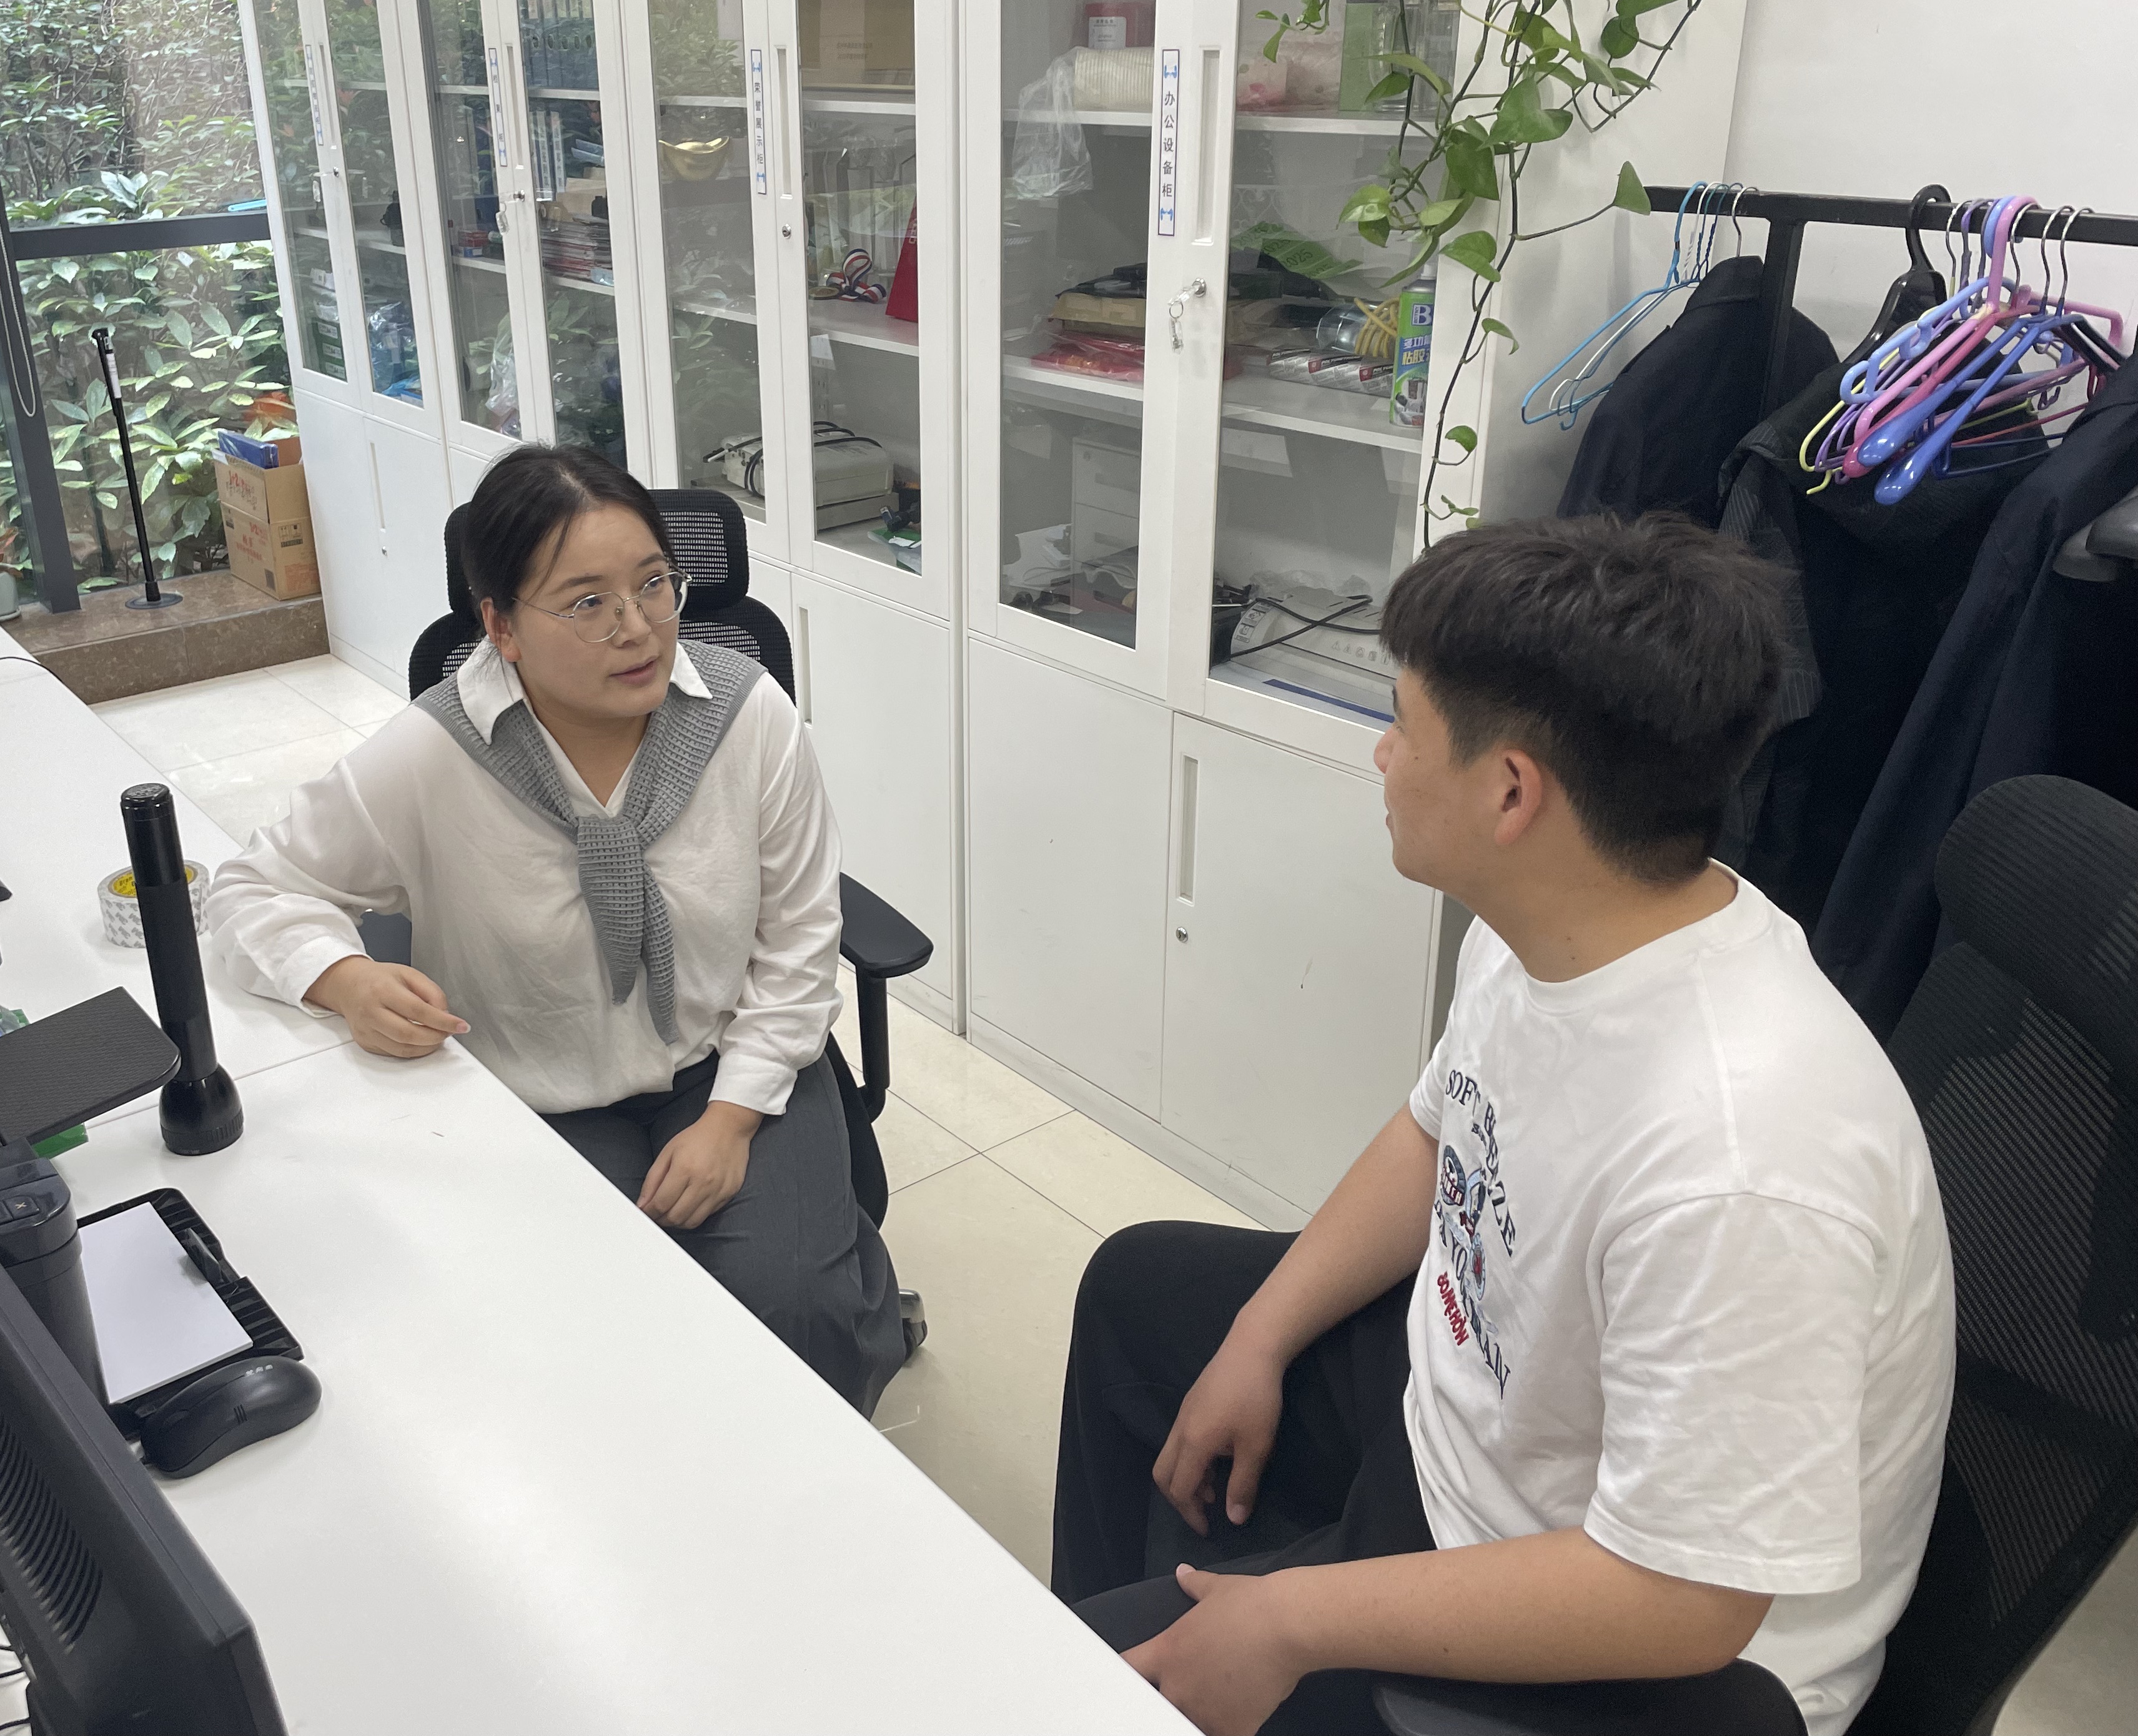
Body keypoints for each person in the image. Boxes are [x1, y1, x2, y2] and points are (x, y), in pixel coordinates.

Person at [1052, 515, 1954, 1736]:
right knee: (1141, 1293)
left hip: (1642, 1660)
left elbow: (1685, 1605)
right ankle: (1101, 1635)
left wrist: (1292, 1621)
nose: (1382, 756)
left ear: (1511, 791)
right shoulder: (1557, 925)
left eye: (1403, 727)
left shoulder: (1744, 1161)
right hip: (1476, 1433)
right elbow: (1440, 1131)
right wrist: (1255, 1336)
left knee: (1079, 1697)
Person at [205, 445, 906, 1414]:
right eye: (587, 604)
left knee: (796, 1312)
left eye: (653, 585)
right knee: (592, 1326)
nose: (638, 628)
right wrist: (345, 978)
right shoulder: (435, 755)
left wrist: (731, 1120)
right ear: (501, 627)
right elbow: (249, 888)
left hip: (728, 1061)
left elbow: (798, 941)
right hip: (538, 1092)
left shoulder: (750, 721)